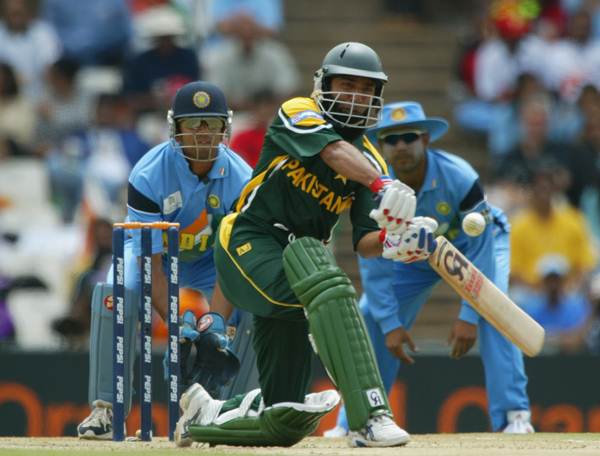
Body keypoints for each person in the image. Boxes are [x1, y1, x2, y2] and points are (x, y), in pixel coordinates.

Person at [174, 42, 439, 448]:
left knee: (283, 419)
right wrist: (382, 183)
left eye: (365, 88)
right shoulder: (298, 111)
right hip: (249, 241)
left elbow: (365, 241)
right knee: (326, 277)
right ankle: (369, 416)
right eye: (346, 85)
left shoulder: (370, 160)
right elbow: (332, 152)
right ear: (324, 86)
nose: (355, 96)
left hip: (298, 271)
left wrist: (396, 240)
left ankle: (203, 416)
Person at [325, 101, 534, 436]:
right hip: (416, 256)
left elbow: (480, 247)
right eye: (391, 139)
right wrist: (391, 324)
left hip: (475, 247)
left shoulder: (460, 176)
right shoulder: (375, 188)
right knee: (371, 316)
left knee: (494, 309)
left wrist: (470, 314)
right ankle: (356, 420)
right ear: (381, 146)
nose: (401, 146)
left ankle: (513, 417)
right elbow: (374, 260)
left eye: (409, 137)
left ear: (425, 139)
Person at [77, 81, 254, 440]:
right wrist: (176, 328)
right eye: (193, 124)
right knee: (114, 290)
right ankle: (106, 409)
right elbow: (151, 264)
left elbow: (233, 260)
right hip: (155, 254)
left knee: (254, 300)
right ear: (176, 127)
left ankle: (234, 411)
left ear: (225, 127)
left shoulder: (242, 179)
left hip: (212, 259)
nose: (202, 133)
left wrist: (215, 324)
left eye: (211, 123)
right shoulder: (148, 174)